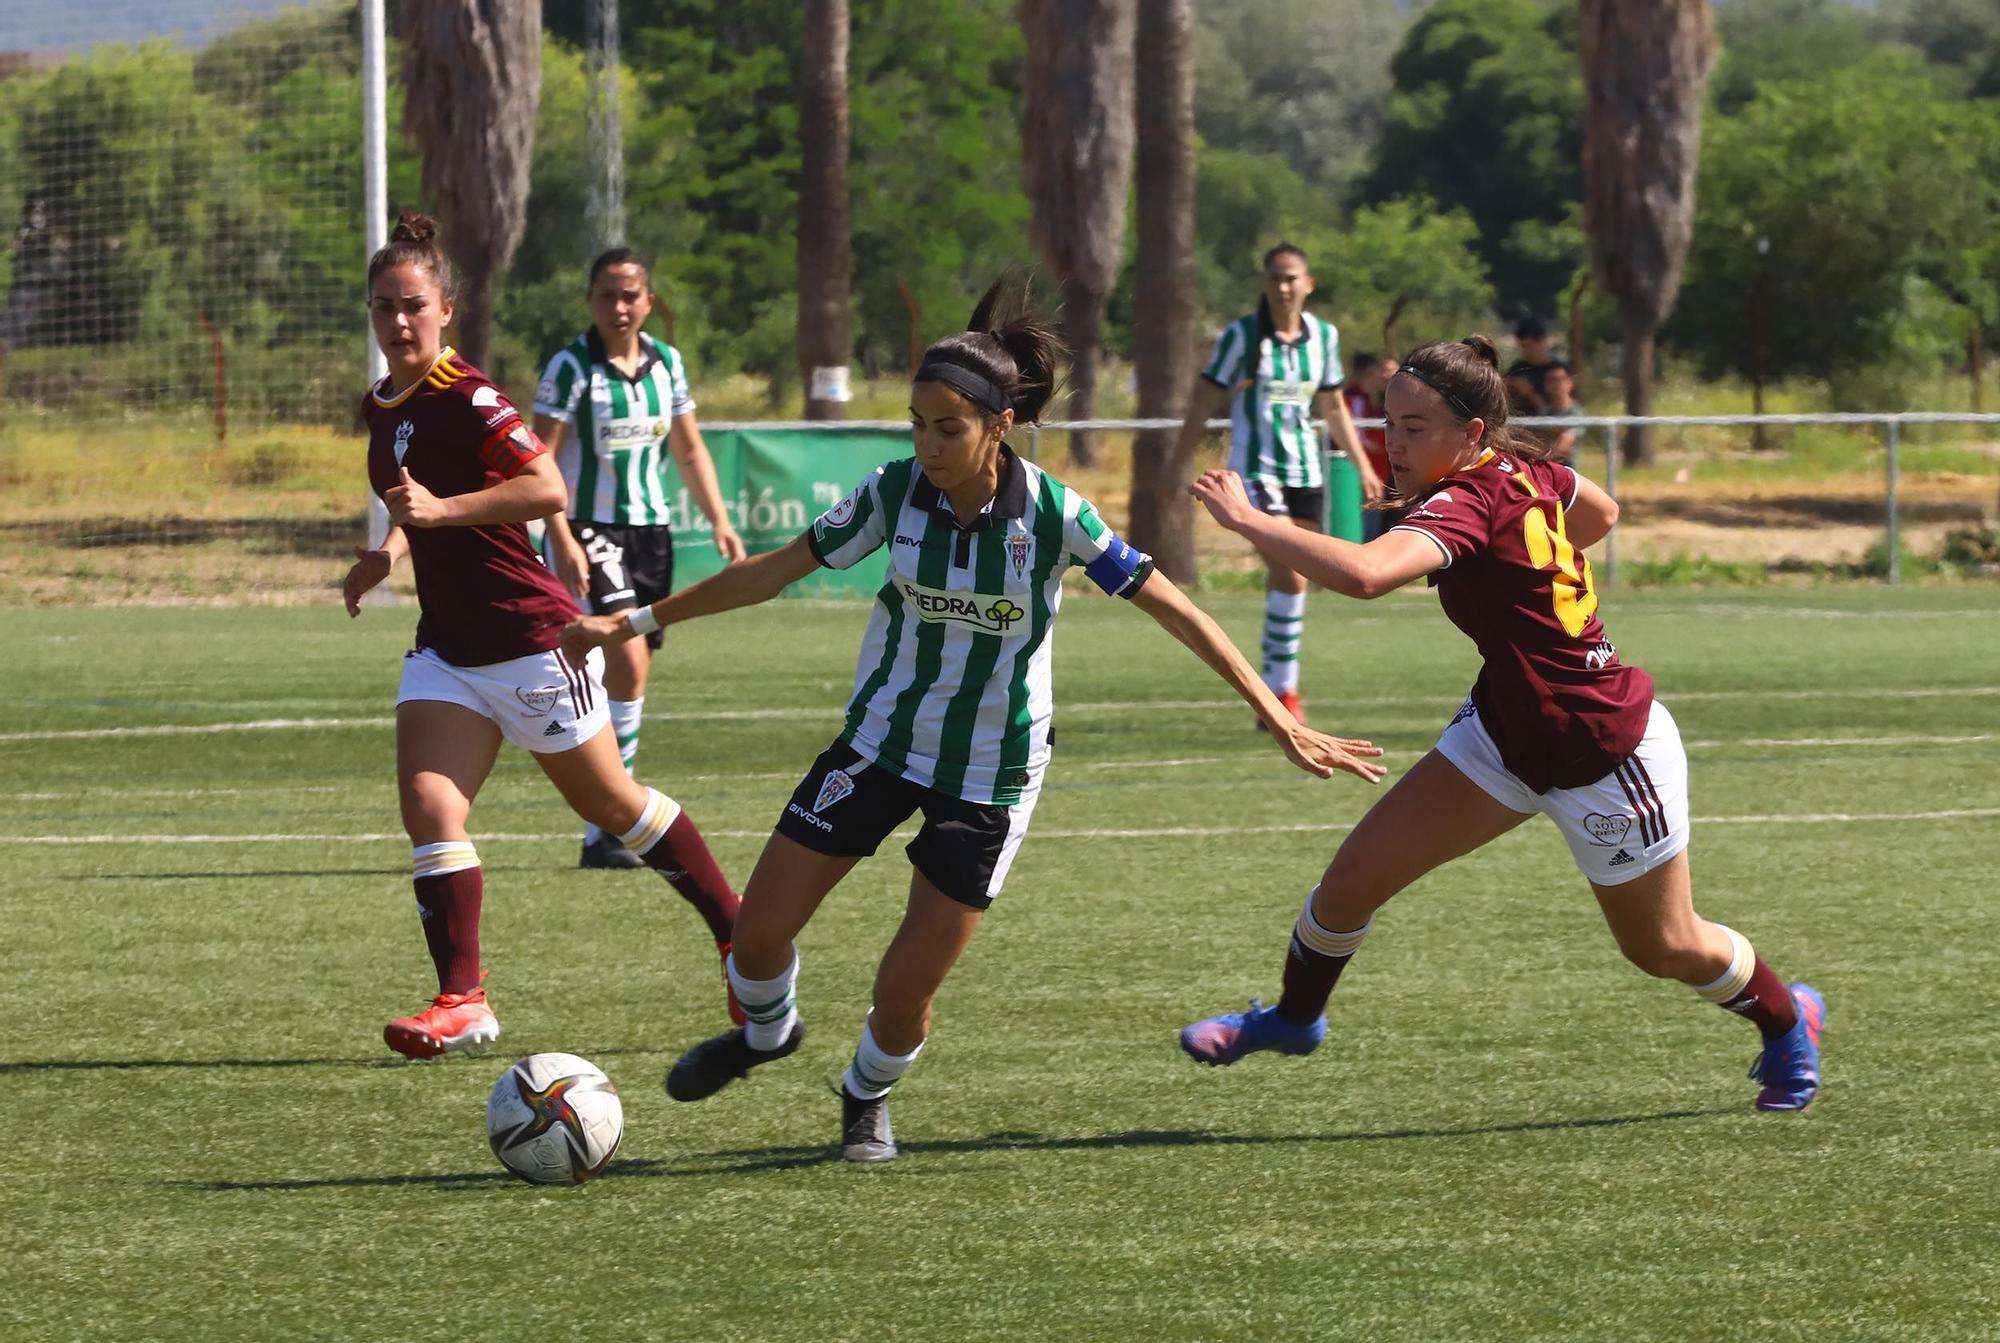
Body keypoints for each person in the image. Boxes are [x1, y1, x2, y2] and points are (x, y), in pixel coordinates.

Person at [563, 278, 1386, 1161]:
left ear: (999, 425)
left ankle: (865, 1094)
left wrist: (1277, 713)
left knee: (902, 989)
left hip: (990, 773)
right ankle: (768, 1033)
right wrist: (636, 621)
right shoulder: (891, 493)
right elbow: (773, 568)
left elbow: (1177, 608)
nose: (927, 445)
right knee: (756, 935)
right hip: (877, 743)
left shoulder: (1056, 514)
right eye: (916, 425)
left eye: (946, 428)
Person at [1177, 335, 1825, 1114]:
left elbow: (1366, 573)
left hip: (1602, 749)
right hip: (1505, 733)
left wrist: (1248, 519)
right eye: (1389, 422)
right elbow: (1602, 512)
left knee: (1664, 946)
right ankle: (1294, 1017)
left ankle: (1790, 1021)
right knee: (1348, 886)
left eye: (1416, 427)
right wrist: (1533, 566)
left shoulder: (1472, 496)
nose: (1395, 442)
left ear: (1471, 434)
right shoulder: (1523, 470)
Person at [342, 213, 745, 1060]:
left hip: (528, 637)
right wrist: (385, 552)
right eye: (384, 307)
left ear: (446, 308)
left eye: (413, 305)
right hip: (448, 645)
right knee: (430, 805)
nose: (399, 322)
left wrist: (443, 513)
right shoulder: (382, 405)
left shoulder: (470, 393)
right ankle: (464, 998)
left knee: (615, 808)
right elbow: (416, 504)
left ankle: (742, 939)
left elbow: (545, 485)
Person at [533, 247, 747, 870]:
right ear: (590, 301)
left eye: (630, 295)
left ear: (649, 301)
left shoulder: (667, 363)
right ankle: (612, 824)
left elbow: (688, 449)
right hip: (589, 527)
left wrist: (719, 521)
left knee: (623, 672)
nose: (619, 306)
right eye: (606, 294)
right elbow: (538, 461)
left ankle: (607, 810)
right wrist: (562, 537)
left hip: (651, 534)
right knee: (626, 658)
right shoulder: (572, 367)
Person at [1171, 243, 1385, 726]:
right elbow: (1206, 394)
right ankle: (1284, 693)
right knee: (1292, 574)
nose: (1283, 287)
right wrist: (1178, 459)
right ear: (1266, 284)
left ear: (1308, 284)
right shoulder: (1243, 337)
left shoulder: (1324, 337)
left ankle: (1271, 694)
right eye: (1275, 278)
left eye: (1292, 278)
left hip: (1306, 473)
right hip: (1257, 472)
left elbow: (1331, 406)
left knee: (1290, 581)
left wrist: (1364, 466)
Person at [1341, 352, 1396, 540]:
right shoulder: (1355, 398)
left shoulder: (1371, 400)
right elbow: (1357, 436)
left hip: (1378, 474)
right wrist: (1384, 446)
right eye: (1378, 373)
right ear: (1370, 374)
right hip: (1363, 476)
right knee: (1364, 531)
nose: (1382, 378)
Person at [1505, 314, 1557, 415]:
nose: (1525, 350)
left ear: (1542, 341)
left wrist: (1530, 393)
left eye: (1529, 345)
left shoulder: (1556, 371)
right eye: (1522, 346)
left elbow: (1558, 413)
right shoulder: (1518, 369)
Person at [1537, 359, 1584, 462]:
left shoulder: (1575, 413)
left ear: (1570, 382)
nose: (1555, 384)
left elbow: (1563, 447)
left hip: (1567, 471)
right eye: (1551, 379)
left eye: (1560, 379)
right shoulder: (1544, 411)